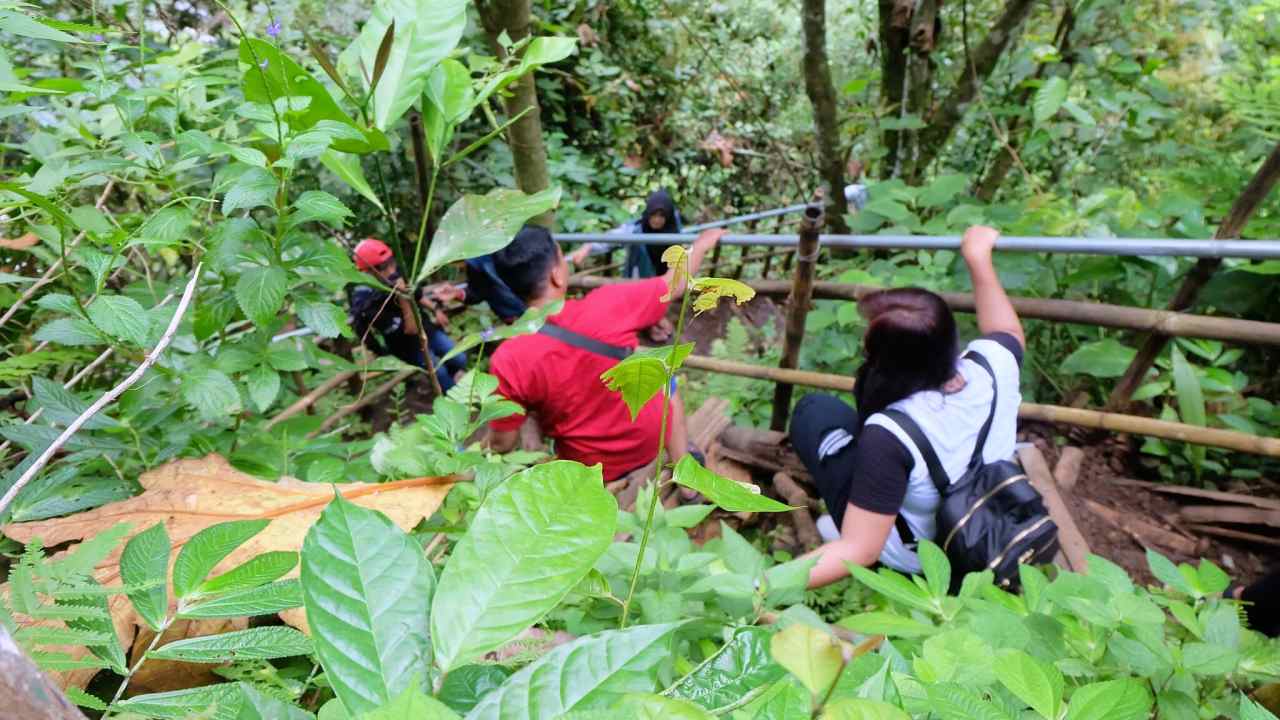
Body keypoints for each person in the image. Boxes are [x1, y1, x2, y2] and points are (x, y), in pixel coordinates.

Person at [789, 225, 1025, 588]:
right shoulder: (993, 365)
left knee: (814, 412)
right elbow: (1007, 329)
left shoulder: (891, 434)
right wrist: (979, 260)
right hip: (987, 524)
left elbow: (859, 550)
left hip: (921, 559)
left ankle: (850, 523)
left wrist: (757, 588)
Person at [486, 224, 725, 482]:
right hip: (647, 440)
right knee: (665, 378)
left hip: (589, 467)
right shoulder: (610, 302)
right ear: (557, 274)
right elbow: (675, 282)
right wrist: (700, 245)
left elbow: (502, 443)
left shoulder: (508, 358)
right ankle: (686, 479)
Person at [349, 238, 467, 391]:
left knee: (459, 358)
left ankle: (454, 378)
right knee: (440, 373)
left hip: (427, 330)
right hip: (407, 345)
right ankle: (455, 397)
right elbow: (411, 330)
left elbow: (417, 294)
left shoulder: (393, 275)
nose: (392, 270)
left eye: (391, 261)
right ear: (367, 272)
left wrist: (435, 310)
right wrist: (402, 296)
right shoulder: (367, 304)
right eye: (383, 266)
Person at [569, 189, 685, 341]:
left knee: (659, 301)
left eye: (662, 216)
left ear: (668, 216)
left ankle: (656, 324)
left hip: (664, 276)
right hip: (641, 275)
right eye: (653, 214)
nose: (657, 220)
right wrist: (587, 247)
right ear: (647, 213)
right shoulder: (637, 229)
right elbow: (612, 238)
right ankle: (652, 326)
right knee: (646, 301)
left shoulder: (674, 231)